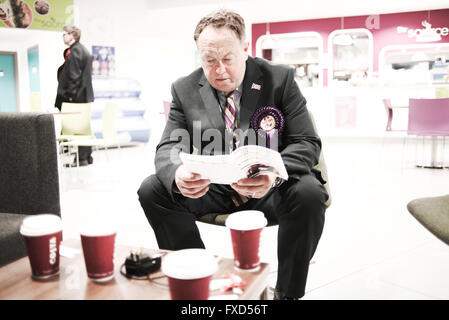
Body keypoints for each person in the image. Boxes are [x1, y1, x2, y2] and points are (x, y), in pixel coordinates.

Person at [137, 9, 329, 300]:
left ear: (245, 49)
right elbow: (168, 148)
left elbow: (306, 141)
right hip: (213, 188)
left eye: (227, 59)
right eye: (209, 61)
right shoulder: (184, 89)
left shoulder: (280, 80)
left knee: (309, 193)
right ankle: (199, 276)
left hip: (270, 189)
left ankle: (287, 294)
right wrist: (177, 174)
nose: (219, 70)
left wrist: (272, 173)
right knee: (153, 189)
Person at [55, 24, 94, 167]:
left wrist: (69, 96)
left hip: (76, 97)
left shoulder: (76, 51)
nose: (63, 36)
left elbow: (73, 76)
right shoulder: (81, 50)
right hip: (82, 96)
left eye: (65, 34)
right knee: (83, 127)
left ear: (73, 35)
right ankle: (86, 157)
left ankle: (82, 158)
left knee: (78, 128)